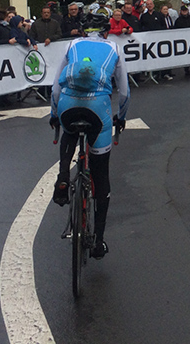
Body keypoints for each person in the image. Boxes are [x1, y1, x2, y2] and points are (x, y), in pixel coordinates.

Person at [49, 13, 129, 260]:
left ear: (84, 32)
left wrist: (54, 115)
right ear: (106, 32)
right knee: (100, 177)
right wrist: (121, 118)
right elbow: (124, 92)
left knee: (69, 128)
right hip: (98, 110)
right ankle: (99, 242)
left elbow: (55, 88)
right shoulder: (114, 48)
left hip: (68, 104)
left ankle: (63, 176)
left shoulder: (72, 44)